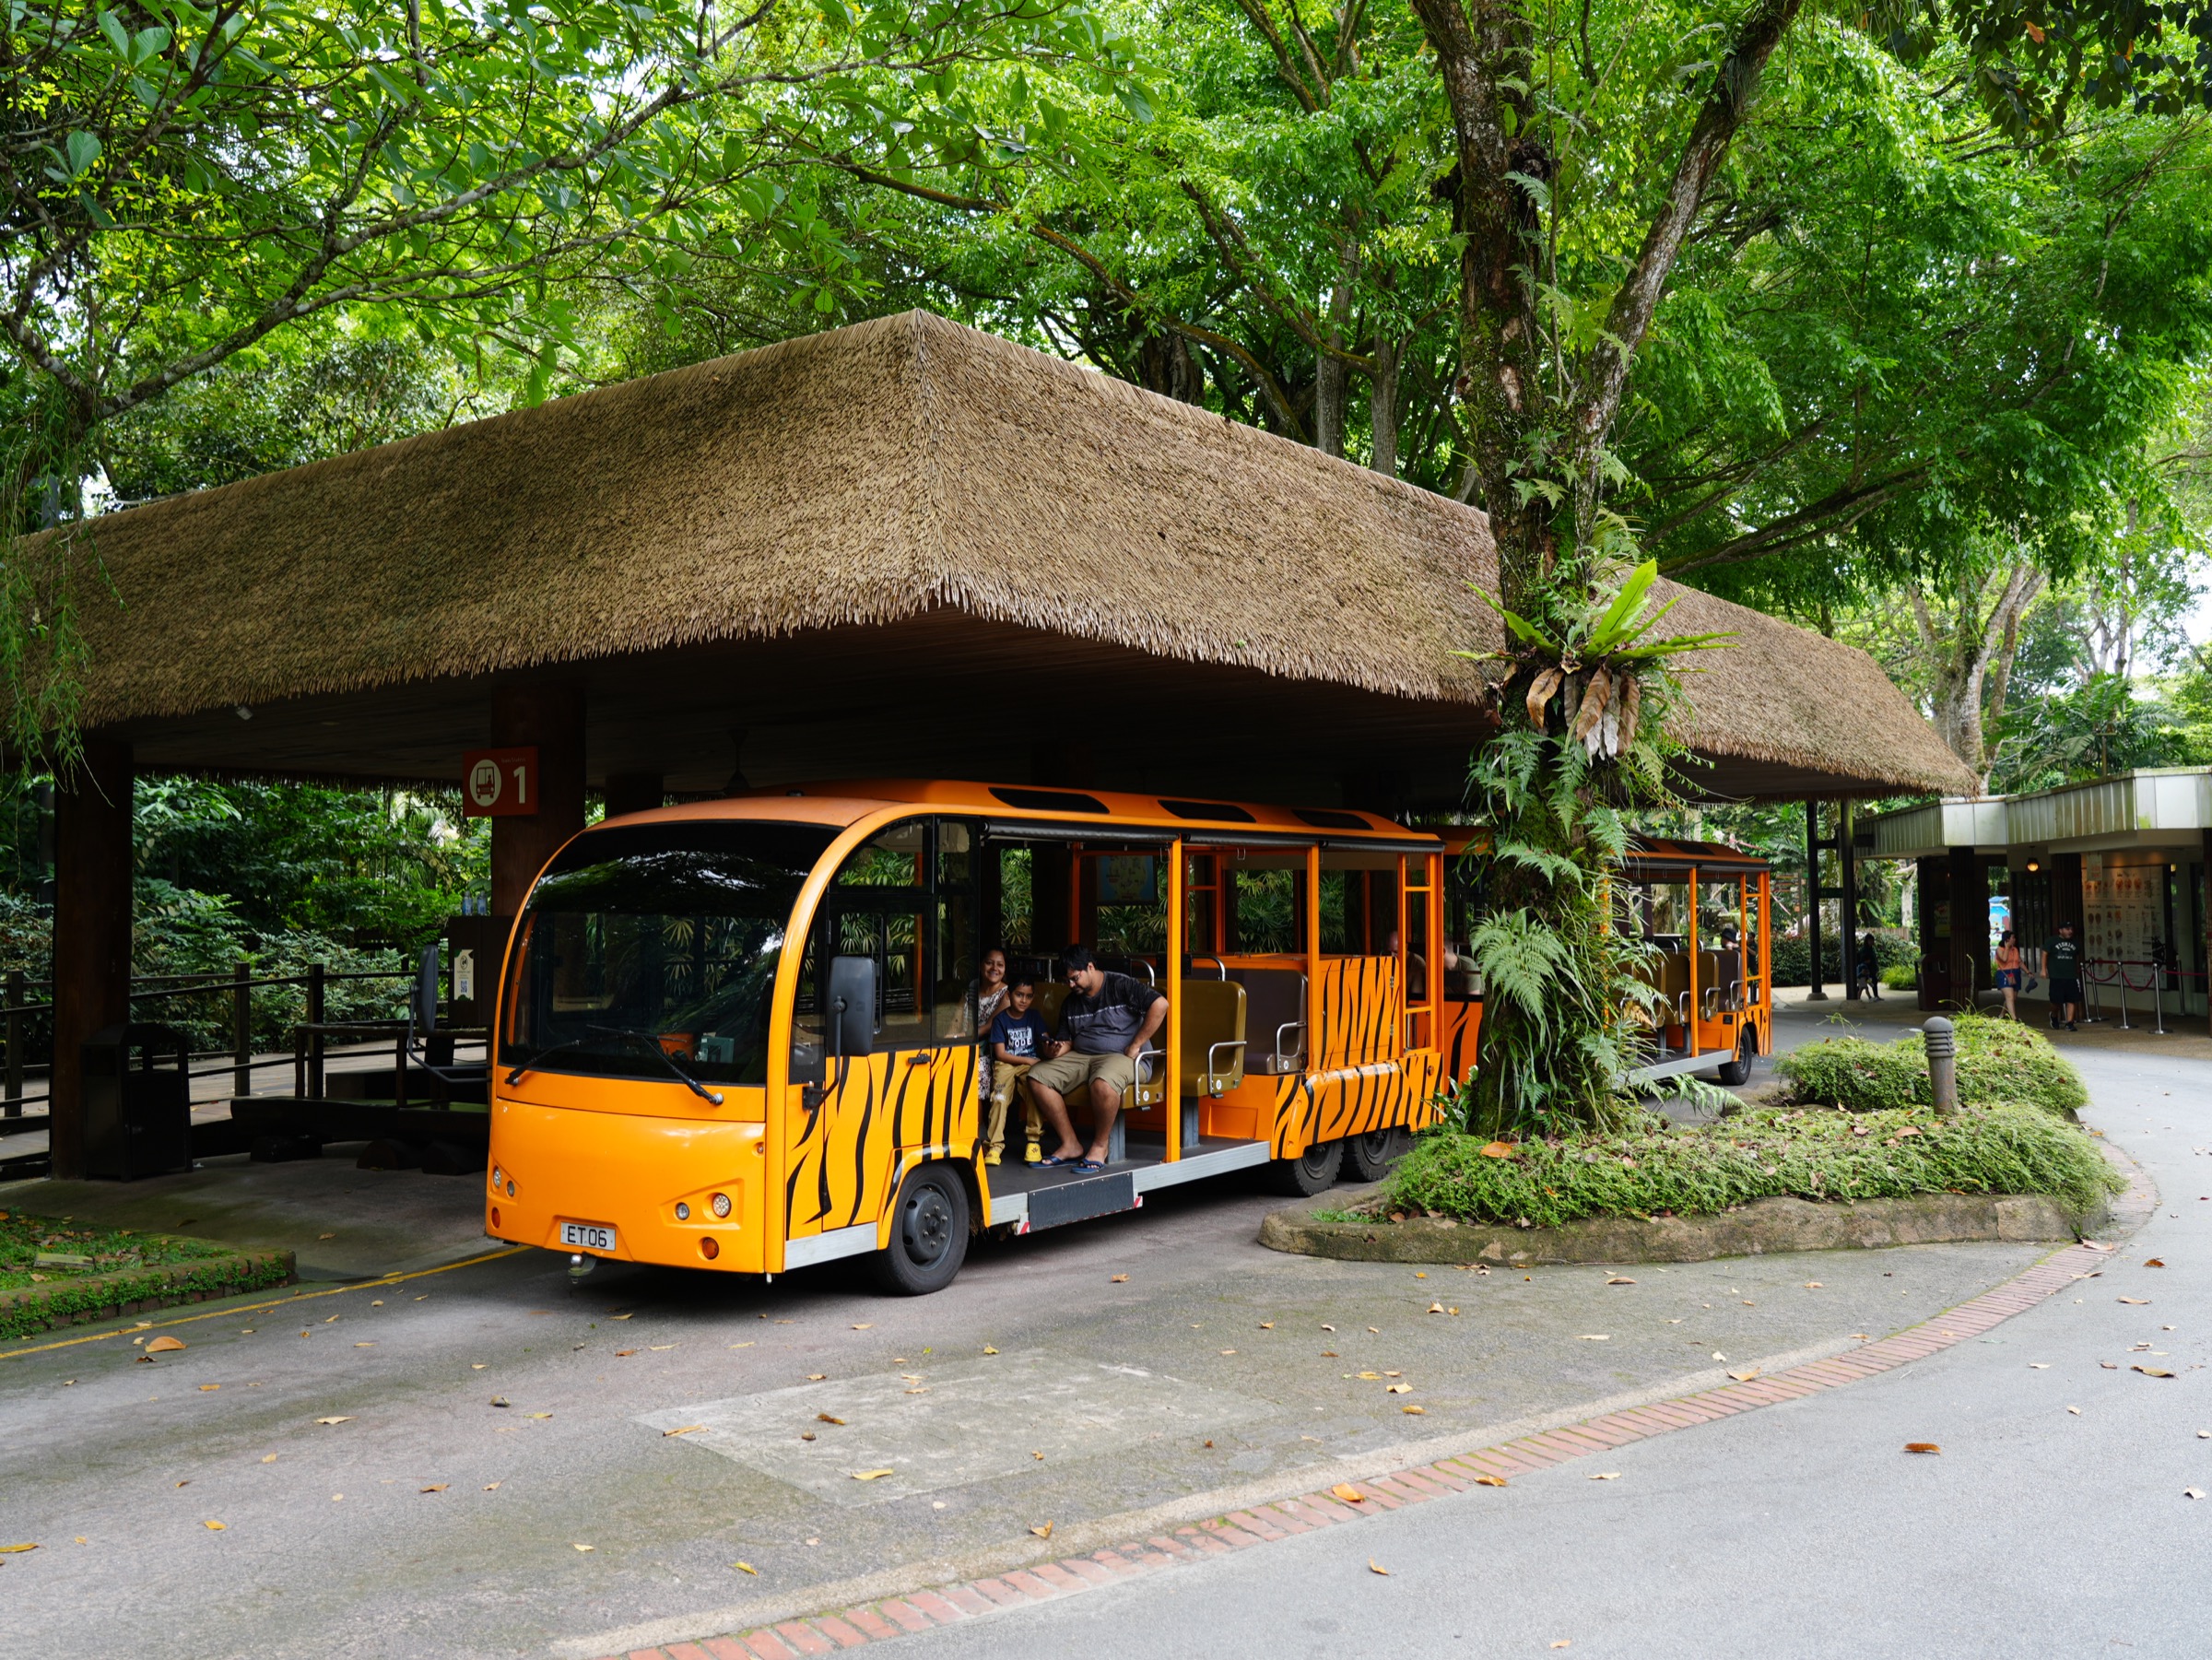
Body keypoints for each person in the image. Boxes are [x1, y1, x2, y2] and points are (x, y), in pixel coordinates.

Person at [1025, 946, 1168, 1172]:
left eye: (1074, 978)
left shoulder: (1120, 985)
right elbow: (1067, 1040)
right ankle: (1071, 1144)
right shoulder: (1071, 1001)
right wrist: (1054, 1051)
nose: (1071, 985)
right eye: (1067, 981)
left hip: (1124, 1057)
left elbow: (1161, 1004)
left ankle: (1101, 1145)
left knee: (1102, 1082)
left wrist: (1136, 1044)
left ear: (1090, 967)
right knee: (1037, 1076)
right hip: (1082, 1056)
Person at [982, 977, 1046, 1167]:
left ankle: (1033, 1142)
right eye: (1019, 995)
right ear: (1009, 996)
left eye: (1028, 996)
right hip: (1006, 1064)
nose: (1023, 1000)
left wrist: (1051, 1044)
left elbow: (1045, 1038)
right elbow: (1001, 1053)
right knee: (999, 1097)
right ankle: (995, 1145)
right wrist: (1028, 1059)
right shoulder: (1001, 1020)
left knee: (1035, 1092)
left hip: (1029, 1066)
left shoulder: (1034, 1017)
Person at [2043, 922, 2082, 1030]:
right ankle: (2054, 1015)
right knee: (2056, 1001)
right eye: (2067, 929)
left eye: (2071, 929)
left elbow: (2077, 956)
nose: (2070, 931)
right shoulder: (2052, 941)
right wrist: (2043, 969)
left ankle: (2069, 1023)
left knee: (2072, 999)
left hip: (2071, 976)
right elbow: (2045, 953)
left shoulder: (2075, 943)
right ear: (2060, 930)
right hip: (2056, 975)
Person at [1993, 928, 2022, 1019]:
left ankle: (2002, 1014)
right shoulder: (2000, 949)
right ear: (2007, 939)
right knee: (2010, 996)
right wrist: (2007, 948)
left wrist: (2028, 972)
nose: (2014, 939)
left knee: (2013, 997)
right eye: (2013, 938)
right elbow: (2004, 959)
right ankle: (2014, 1019)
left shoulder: (2015, 950)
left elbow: (2019, 962)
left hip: (2015, 973)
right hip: (2004, 973)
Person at [1857, 932, 1883, 1002]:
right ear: (1867, 941)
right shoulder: (1864, 950)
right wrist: (1866, 962)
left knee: (1867, 984)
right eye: (1870, 940)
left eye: (1872, 940)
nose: (1872, 942)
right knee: (1865, 984)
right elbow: (1860, 960)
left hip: (1871, 970)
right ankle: (1873, 996)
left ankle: (1874, 996)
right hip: (1866, 970)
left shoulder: (1871, 949)